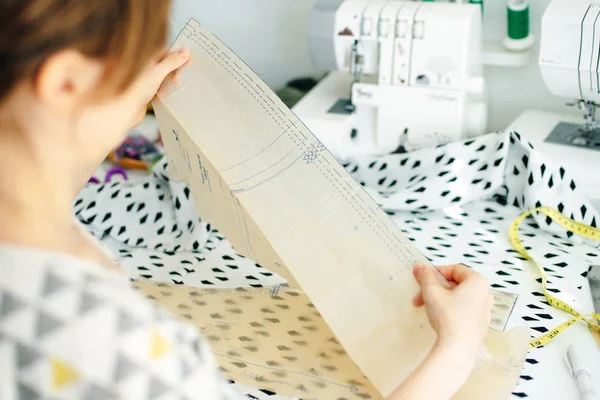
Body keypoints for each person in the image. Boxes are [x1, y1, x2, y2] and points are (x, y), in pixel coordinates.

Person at [0, 1, 493, 399]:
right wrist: (455, 350)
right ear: (67, 83)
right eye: (133, 62)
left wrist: (106, 118)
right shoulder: (111, 345)